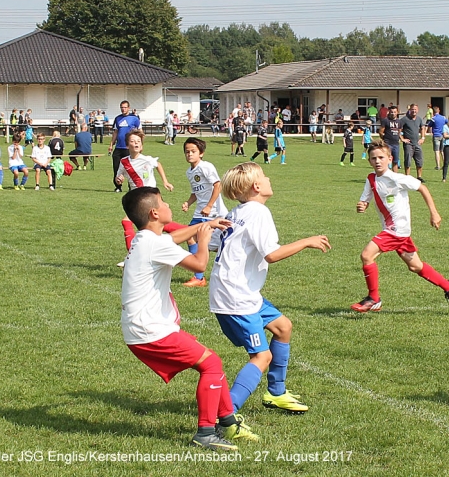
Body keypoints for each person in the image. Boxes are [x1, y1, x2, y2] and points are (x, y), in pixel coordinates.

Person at [120, 186, 255, 451]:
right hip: (150, 330)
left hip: (143, 327)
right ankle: (205, 433)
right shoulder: (154, 243)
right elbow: (199, 265)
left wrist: (207, 224)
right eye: (163, 202)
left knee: (210, 360)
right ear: (155, 213)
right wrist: (203, 240)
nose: (169, 204)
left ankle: (227, 421)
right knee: (212, 363)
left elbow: (171, 240)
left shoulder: (145, 238)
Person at [210, 162, 331, 415]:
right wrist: (307, 241)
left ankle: (276, 393)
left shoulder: (238, 212)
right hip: (236, 297)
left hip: (240, 291)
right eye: (264, 176)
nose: (268, 179)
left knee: (283, 326)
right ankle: (226, 413)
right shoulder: (258, 212)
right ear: (256, 186)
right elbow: (272, 255)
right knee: (261, 357)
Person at [351, 143, 449, 313]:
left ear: (390, 159)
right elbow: (365, 200)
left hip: (397, 230)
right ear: (370, 161)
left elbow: (422, 188)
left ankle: (374, 298)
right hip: (396, 231)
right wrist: (362, 205)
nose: (377, 161)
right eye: (373, 158)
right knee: (415, 266)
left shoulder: (397, 178)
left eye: (381, 157)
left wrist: (434, 213)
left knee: (367, 255)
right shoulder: (371, 179)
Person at [181, 137, 227, 288]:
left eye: (193, 151)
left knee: (203, 241)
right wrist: (188, 202)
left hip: (213, 212)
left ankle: (200, 277)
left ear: (201, 153)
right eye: (187, 152)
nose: (189, 154)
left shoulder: (206, 167)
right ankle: (199, 276)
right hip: (199, 212)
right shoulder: (189, 171)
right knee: (191, 238)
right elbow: (196, 192)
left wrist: (209, 205)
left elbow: (217, 186)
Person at [110, 100, 141, 192]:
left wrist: (139, 144)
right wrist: (111, 144)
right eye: (122, 107)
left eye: (125, 107)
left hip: (129, 148)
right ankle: (118, 187)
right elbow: (115, 132)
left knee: (130, 168)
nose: (123, 109)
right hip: (118, 148)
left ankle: (131, 187)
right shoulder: (117, 118)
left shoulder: (134, 118)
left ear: (128, 108)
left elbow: (140, 132)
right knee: (116, 168)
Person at [399, 104, 426, 180]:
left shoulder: (419, 119)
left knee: (419, 161)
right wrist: (402, 139)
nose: (414, 111)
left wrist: (423, 138)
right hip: (408, 144)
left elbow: (422, 128)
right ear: (409, 110)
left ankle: (419, 177)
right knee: (408, 161)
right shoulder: (404, 119)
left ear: (418, 110)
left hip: (417, 143)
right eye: (412, 109)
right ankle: (407, 177)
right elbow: (398, 129)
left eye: (415, 109)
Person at [378, 105, 402, 172]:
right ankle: (386, 176)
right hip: (388, 143)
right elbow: (381, 131)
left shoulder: (399, 121)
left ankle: (395, 177)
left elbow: (399, 131)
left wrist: (400, 138)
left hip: (396, 144)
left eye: (394, 112)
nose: (393, 113)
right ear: (389, 112)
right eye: (391, 112)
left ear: (397, 112)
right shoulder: (385, 120)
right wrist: (384, 139)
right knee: (386, 160)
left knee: (395, 161)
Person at [429, 106, 447, 170]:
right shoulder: (443, 117)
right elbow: (447, 123)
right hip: (442, 135)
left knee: (437, 151)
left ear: (433, 112)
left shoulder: (433, 118)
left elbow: (429, 125)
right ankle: (445, 165)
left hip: (436, 135)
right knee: (442, 151)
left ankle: (438, 165)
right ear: (439, 110)